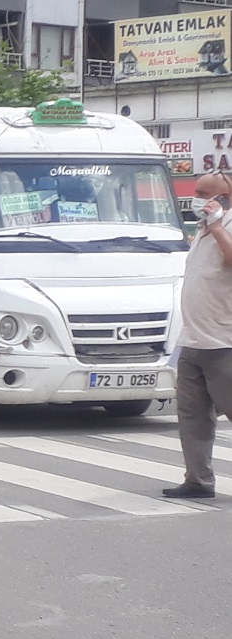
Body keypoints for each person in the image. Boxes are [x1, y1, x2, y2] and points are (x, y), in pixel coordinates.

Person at [161, 171, 232, 498]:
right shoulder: (203, 230)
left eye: (206, 193)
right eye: (196, 192)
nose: (198, 198)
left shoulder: (222, 227)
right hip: (192, 341)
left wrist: (218, 227)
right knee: (193, 418)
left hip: (224, 343)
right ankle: (198, 480)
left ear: (225, 198)